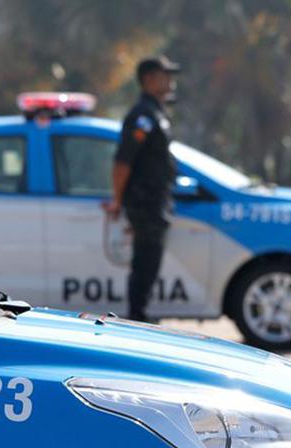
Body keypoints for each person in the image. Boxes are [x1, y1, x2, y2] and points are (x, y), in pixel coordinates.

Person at [104, 56, 180, 323]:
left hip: (156, 200)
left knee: (151, 259)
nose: (170, 81)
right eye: (164, 75)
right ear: (148, 79)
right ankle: (138, 317)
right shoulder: (142, 116)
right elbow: (123, 162)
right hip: (145, 202)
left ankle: (141, 313)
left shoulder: (156, 112)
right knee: (145, 261)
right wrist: (117, 199)